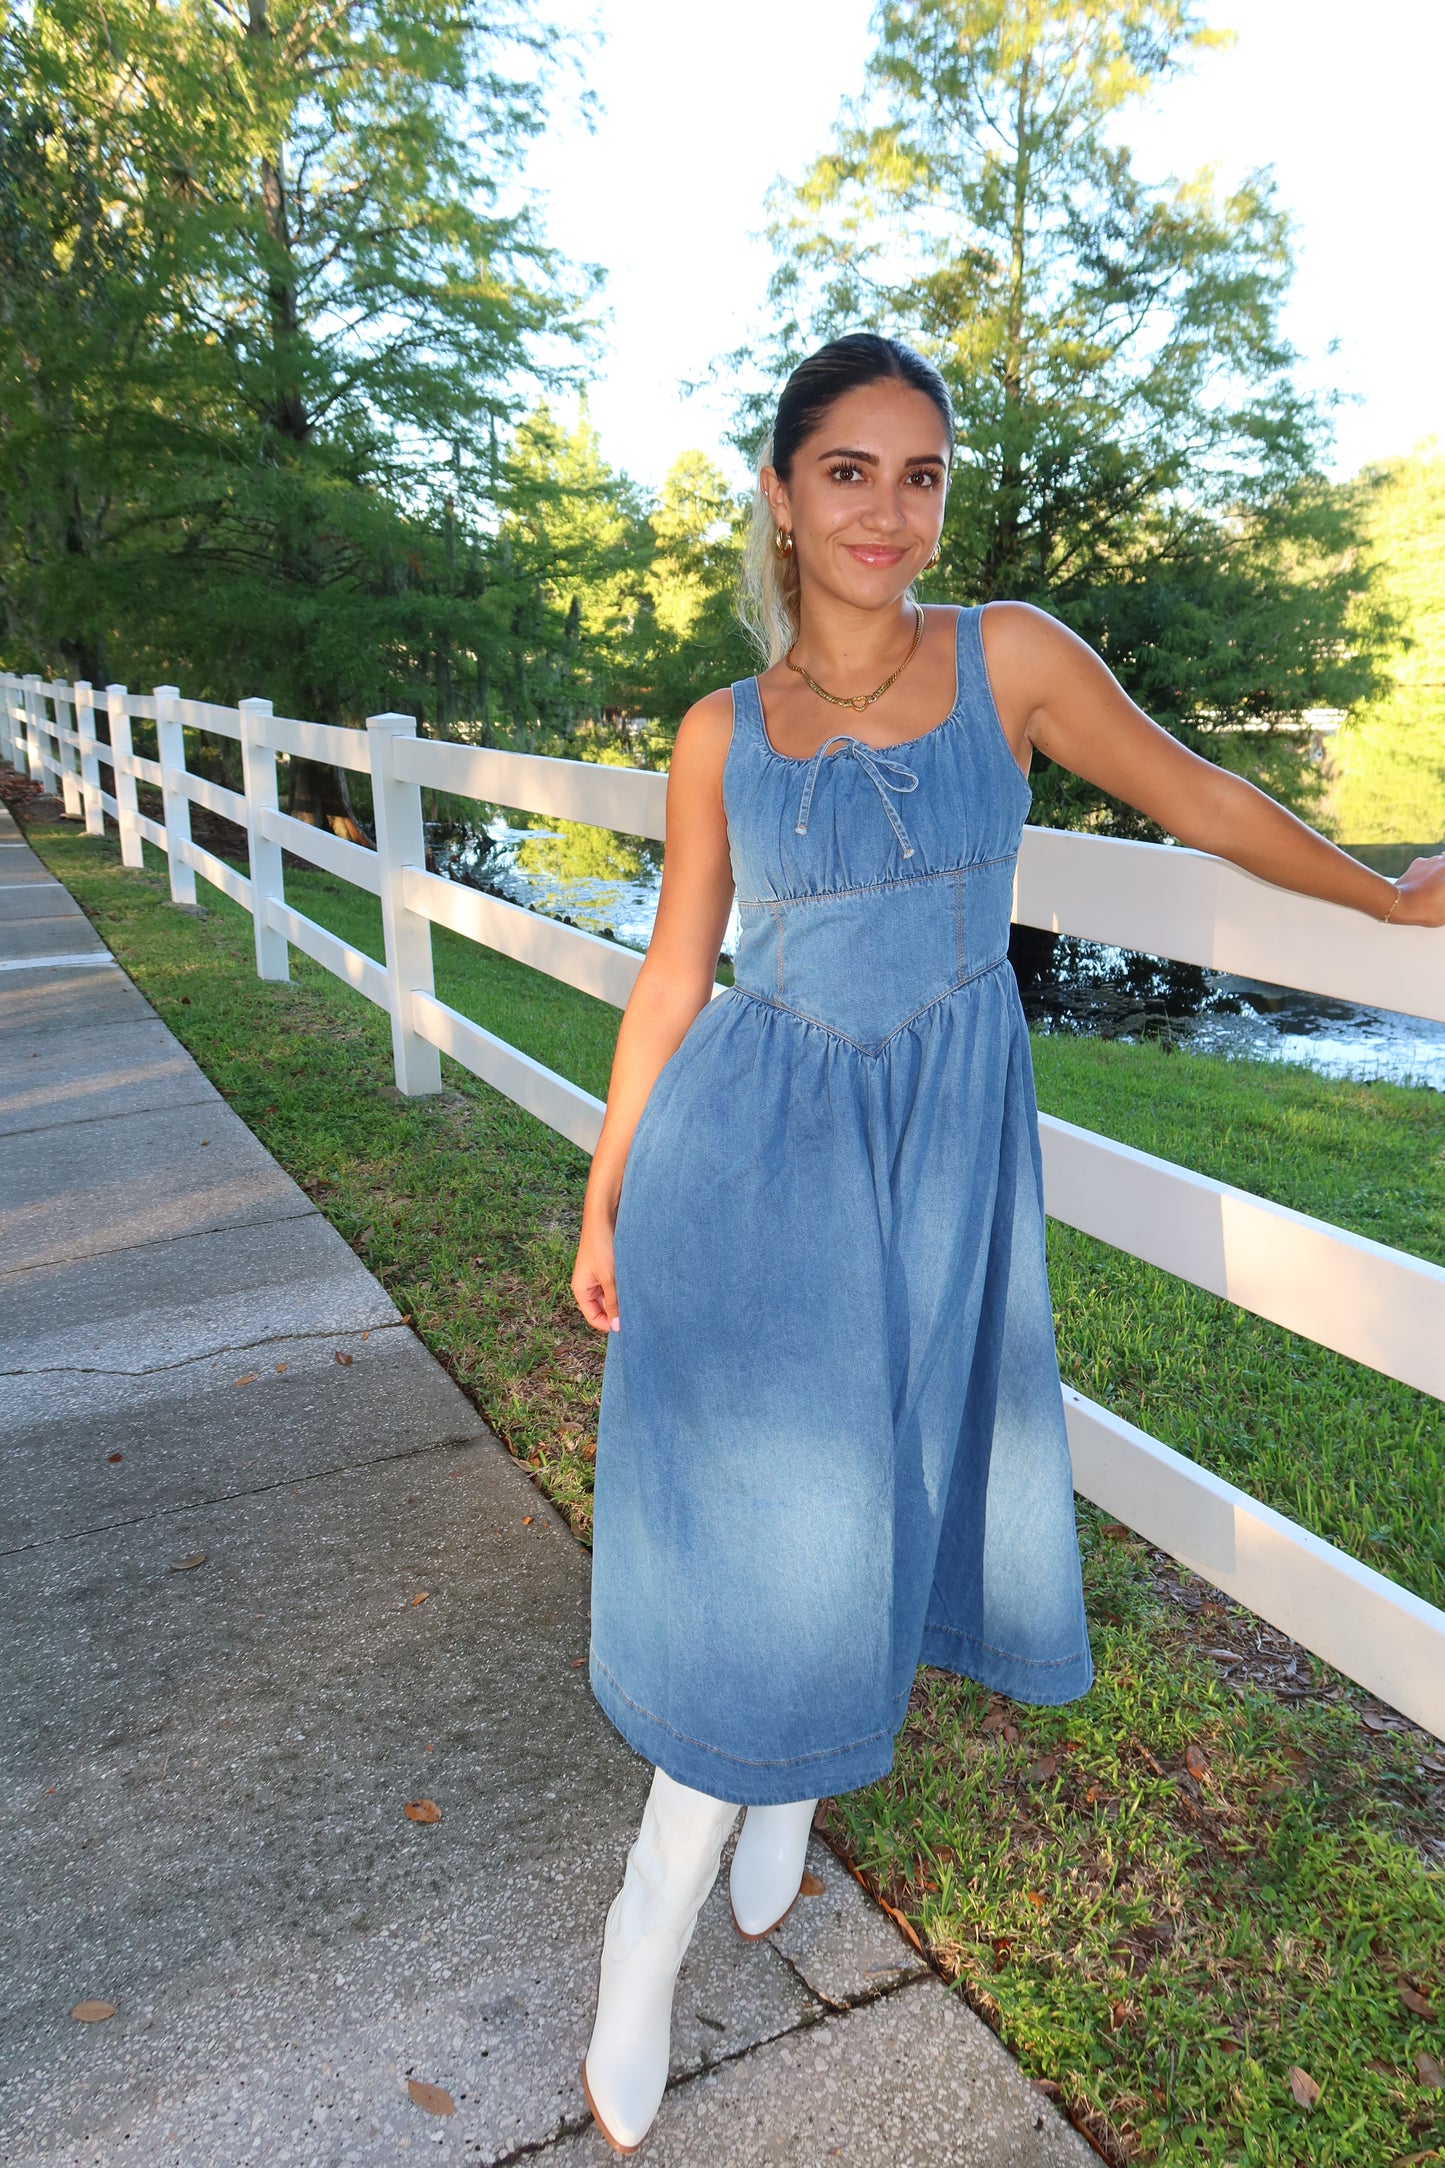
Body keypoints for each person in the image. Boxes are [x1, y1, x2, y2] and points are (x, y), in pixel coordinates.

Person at [567, 332, 1445, 2153]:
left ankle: (791, 1796)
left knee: (882, 1479)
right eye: (849, 473)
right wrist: (605, 1186)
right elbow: (671, 978)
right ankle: (648, 1914)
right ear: (782, 496)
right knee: (764, 1538)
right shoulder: (720, 733)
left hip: (942, 1157)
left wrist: (1382, 892)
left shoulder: (1012, 659)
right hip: (751, 1153)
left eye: (921, 474)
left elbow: (1190, 794)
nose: (889, 510)